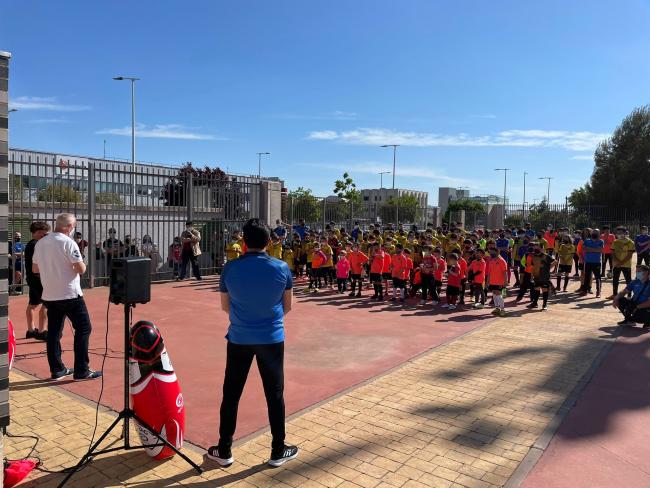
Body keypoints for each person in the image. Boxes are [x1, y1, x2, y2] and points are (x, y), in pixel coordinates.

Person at [209, 218, 297, 468]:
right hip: (271, 338)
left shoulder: (230, 269)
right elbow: (287, 306)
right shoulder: (281, 268)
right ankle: (278, 449)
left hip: (239, 338)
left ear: (244, 242)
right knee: (275, 394)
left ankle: (224, 449)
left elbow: (225, 307)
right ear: (269, 242)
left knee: (231, 394)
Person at [32, 213, 102, 380]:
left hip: (50, 294)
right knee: (84, 328)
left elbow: (35, 269)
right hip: (70, 294)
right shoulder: (68, 242)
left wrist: (52, 269)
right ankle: (81, 370)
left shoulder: (41, 243)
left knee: (54, 332)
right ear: (70, 227)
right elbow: (81, 269)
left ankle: (57, 369)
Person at [24, 222, 50, 341]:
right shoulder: (37, 245)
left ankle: (30, 330)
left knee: (32, 304)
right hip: (37, 278)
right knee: (47, 304)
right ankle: (42, 331)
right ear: (38, 232)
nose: (45, 235)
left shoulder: (31, 244)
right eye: (44, 233)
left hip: (31, 278)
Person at [608, 227, 636, 298]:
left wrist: (620, 263)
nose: (619, 234)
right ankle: (614, 294)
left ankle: (629, 295)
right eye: (618, 233)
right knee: (615, 280)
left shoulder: (630, 242)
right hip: (616, 265)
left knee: (628, 281)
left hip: (626, 265)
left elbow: (629, 255)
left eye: (620, 233)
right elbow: (613, 253)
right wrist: (617, 262)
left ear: (625, 233)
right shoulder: (615, 242)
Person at [528, 243, 556, 311]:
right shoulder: (533, 256)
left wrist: (548, 268)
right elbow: (532, 267)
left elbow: (555, 261)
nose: (535, 250)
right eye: (534, 248)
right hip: (536, 276)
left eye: (537, 248)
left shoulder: (546, 256)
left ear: (541, 249)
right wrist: (531, 276)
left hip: (544, 276)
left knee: (544, 290)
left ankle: (544, 305)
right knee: (536, 289)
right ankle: (535, 303)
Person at [582, 228, 604, 297]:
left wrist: (589, 249)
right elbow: (584, 249)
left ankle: (598, 292)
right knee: (587, 277)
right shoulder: (587, 241)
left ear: (599, 234)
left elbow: (600, 250)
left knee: (598, 277)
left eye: (597, 232)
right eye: (594, 232)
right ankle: (585, 291)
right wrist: (595, 249)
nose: (595, 233)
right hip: (588, 262)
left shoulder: (601, 241)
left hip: (596, 262)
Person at [487, 248, 508, 316]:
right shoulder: (491, 261)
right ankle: (497, 308)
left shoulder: (502, 261)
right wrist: (488, 281)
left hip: (499, 281)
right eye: (490, 252)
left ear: (497, 252)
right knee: (494, 294)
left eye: (492, 252)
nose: (491, 254)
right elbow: (489, 272)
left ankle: (502, 309)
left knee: (498, 295)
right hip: (492, 281)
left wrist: (505, 281)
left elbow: (505, 272)